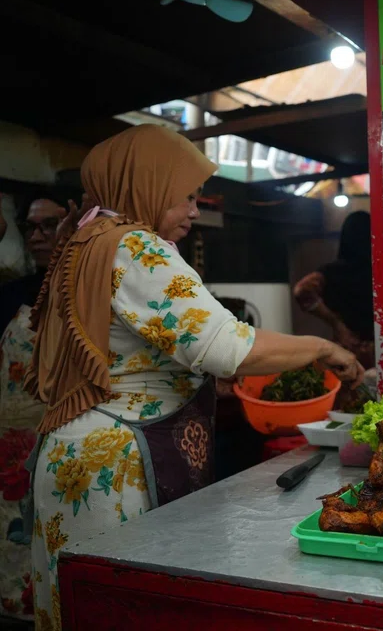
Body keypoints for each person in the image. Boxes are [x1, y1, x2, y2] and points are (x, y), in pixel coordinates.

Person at [26, 125, 363, 629]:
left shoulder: (84, 243)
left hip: (75, 456)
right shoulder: (135, 246)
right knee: (126, 608)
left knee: (83, 605)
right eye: (183, 196)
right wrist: (323, 347)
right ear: (145, 185)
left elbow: (129, 350)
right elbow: (226, 345)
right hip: (118, 465)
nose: (193, 211)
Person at [0, 190, 69, 624]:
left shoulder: (86, 290)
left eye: (50, 224)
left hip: (65, 441)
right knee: (13, 544)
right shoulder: (10, 295)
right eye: (31, 227)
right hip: (9, 449)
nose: (38, 236)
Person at [293, 211, 374, 369]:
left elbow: (301, 290)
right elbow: (301, 290)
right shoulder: (380, 272)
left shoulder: (332, 272)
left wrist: (336, 323)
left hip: (346, 347)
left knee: (347, 388)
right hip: (379, 348)